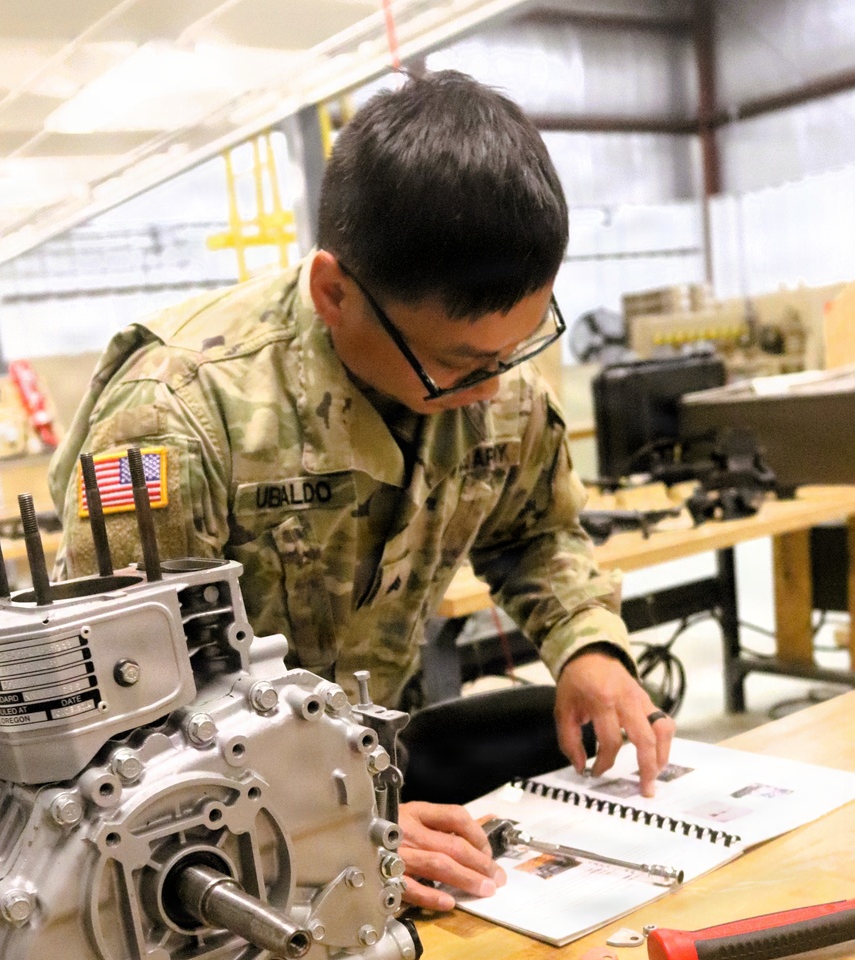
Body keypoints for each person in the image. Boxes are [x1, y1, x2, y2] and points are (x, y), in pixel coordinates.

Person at [49, 70, 673, 913]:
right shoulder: (176, 416)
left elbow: (536, 532)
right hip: (215, 844)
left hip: (379, 769)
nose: (493, 392)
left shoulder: (486, 371)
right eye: (458, 365)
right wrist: (324, 825)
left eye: (516, 350)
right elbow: (122, 714)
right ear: (334, 293)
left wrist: (589, 646)